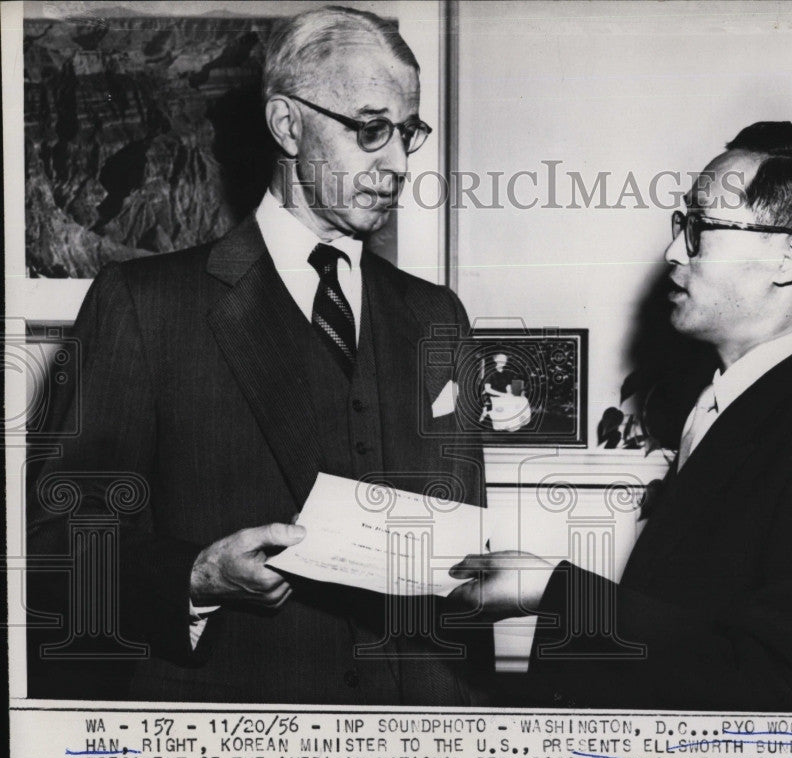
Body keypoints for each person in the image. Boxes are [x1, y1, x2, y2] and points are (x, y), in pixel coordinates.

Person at [27, 6, 491, 704]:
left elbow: (462, 574)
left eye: (406, 133)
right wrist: (195, 577)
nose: (397, 162)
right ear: (286, 125)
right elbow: (61, 538)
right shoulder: (144, 304)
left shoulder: (437, 317)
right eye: (370, 128)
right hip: (235, 742)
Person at [450, 122, 792, 714]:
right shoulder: (735, 408)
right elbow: (698, 634)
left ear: (789, 258)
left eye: (700, 228)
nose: (674, 251)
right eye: (681, 225)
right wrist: (547, 581)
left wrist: (555, 590)